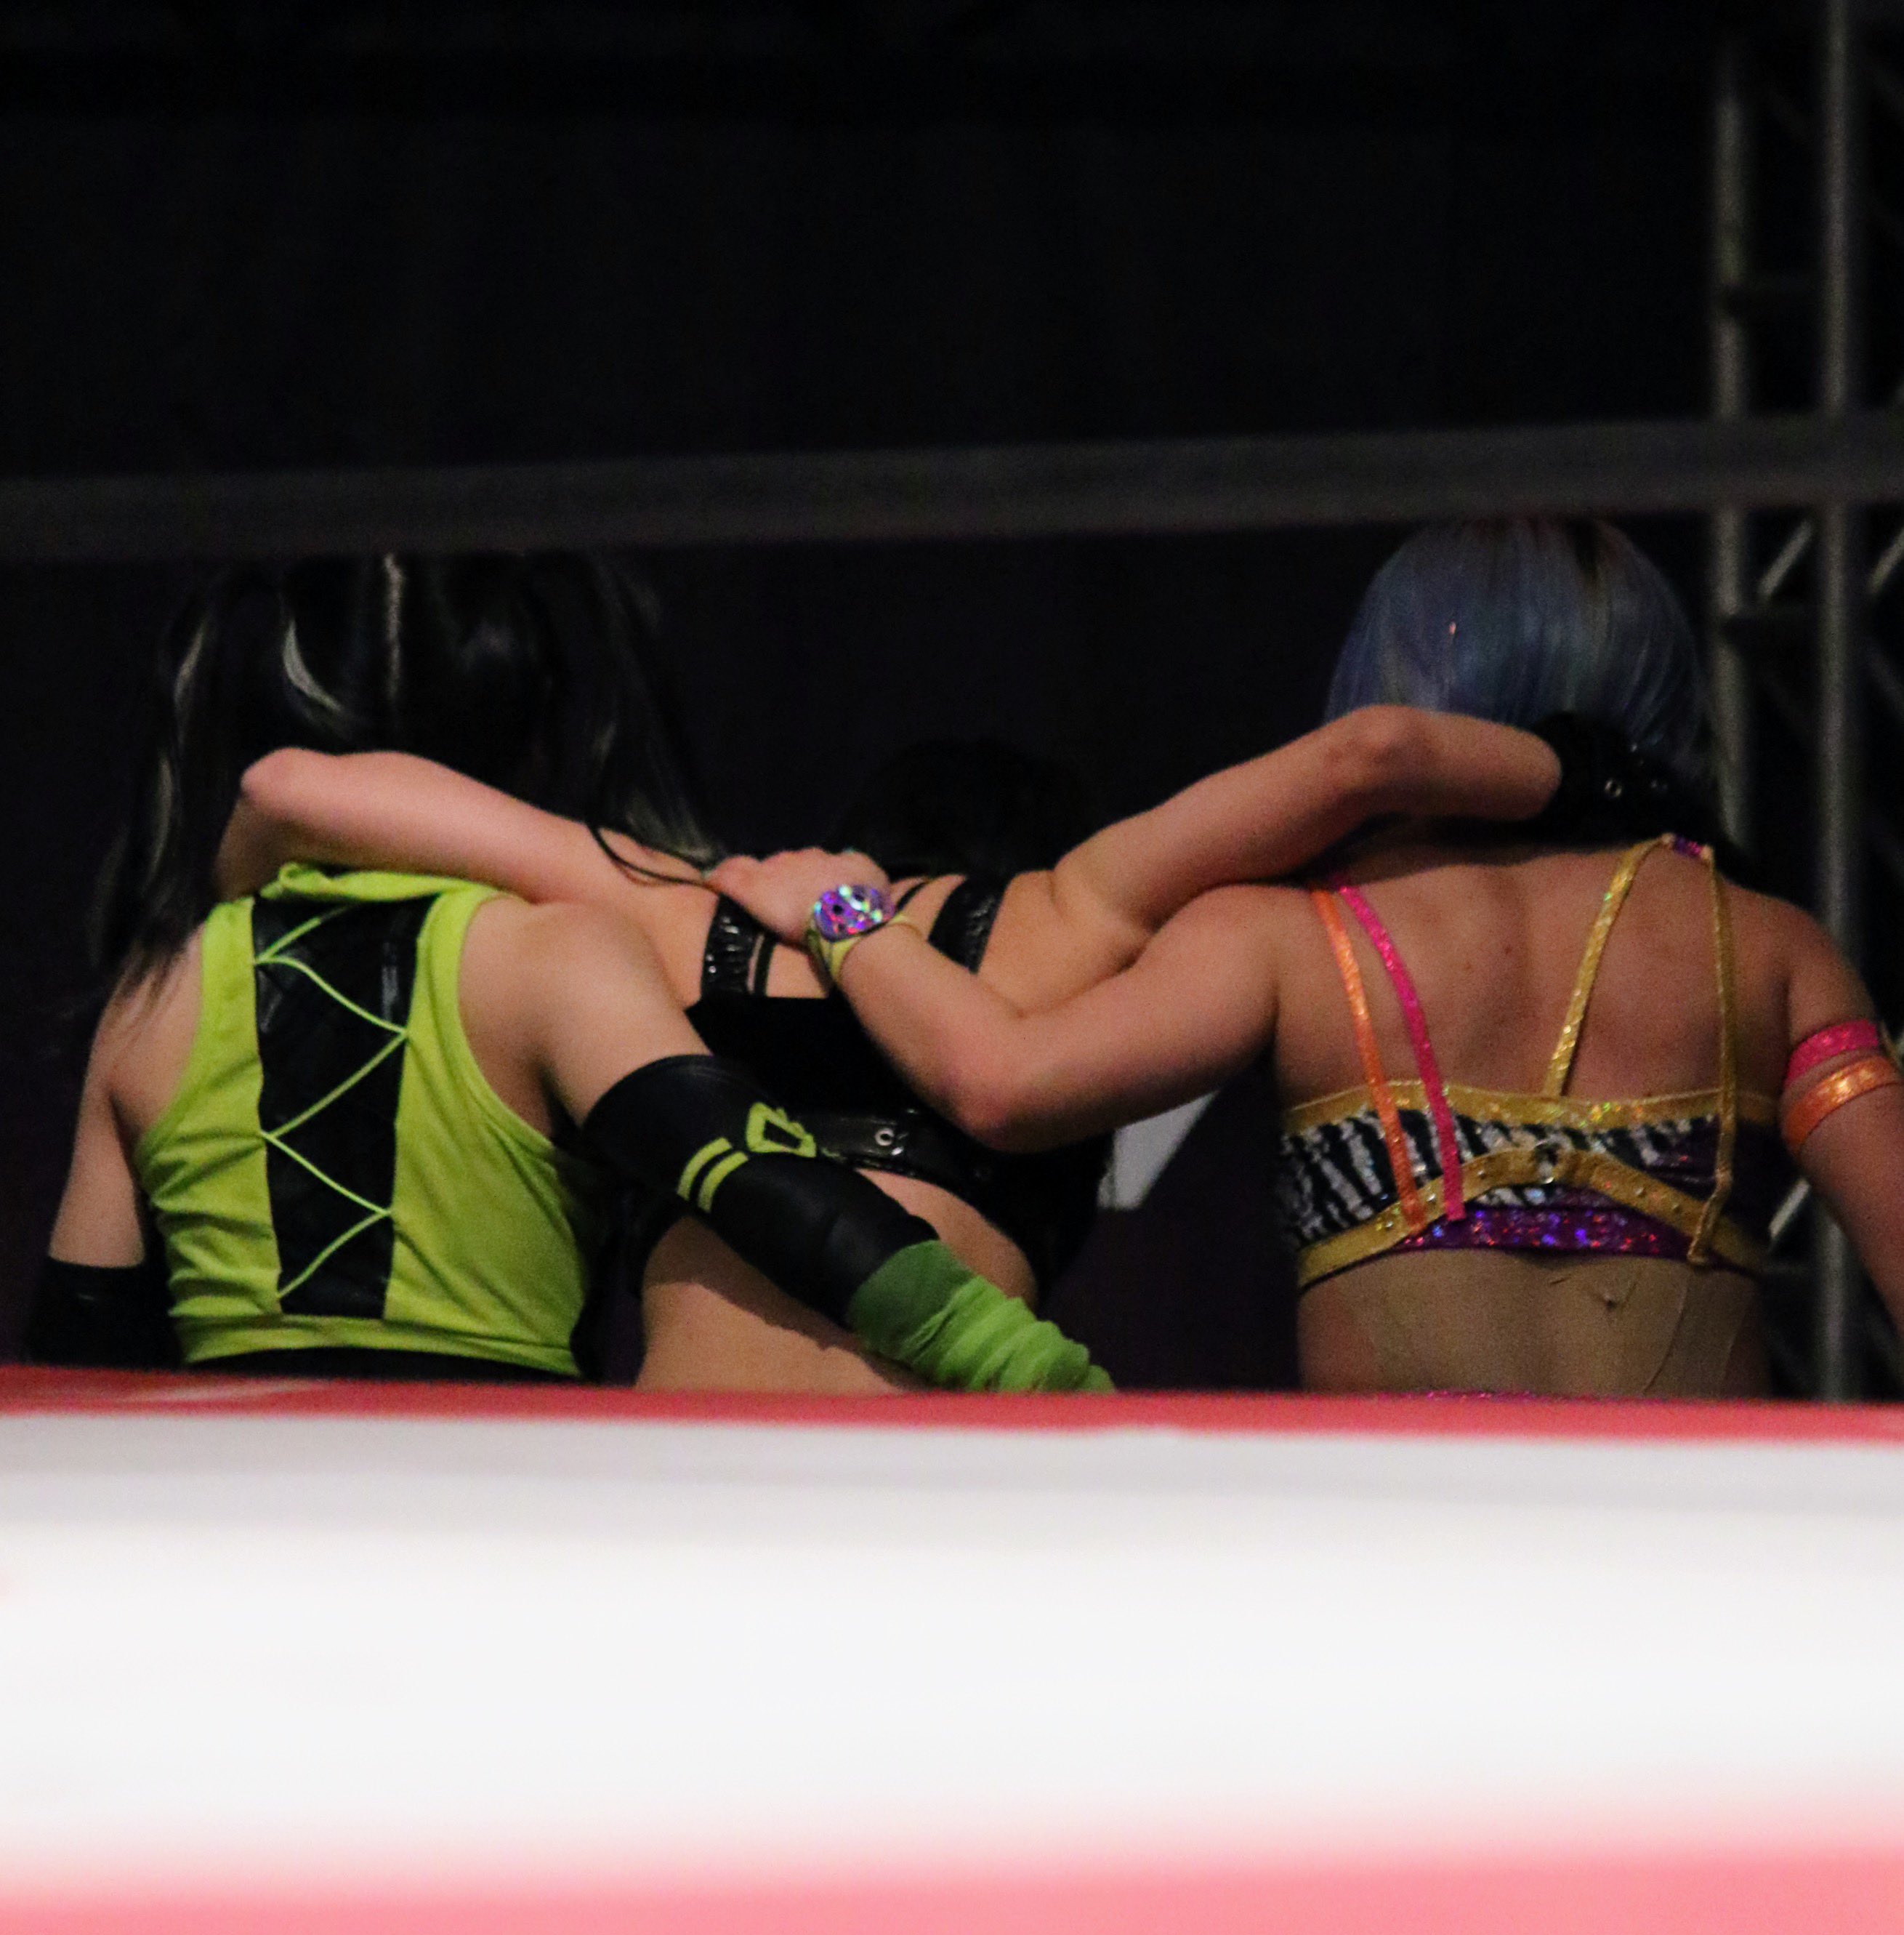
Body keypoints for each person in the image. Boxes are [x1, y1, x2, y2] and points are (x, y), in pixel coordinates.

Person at [213, 605, 1573, 1388]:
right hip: (936, 1484)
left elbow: (288, 787)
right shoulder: (1070, 913)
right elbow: (1369, 756)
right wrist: (1593, 781)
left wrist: (219, 925)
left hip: (674, 1480)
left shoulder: (685, 912)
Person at [710, 521, 1904, 1398]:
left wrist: (844, 914)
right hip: (1699, 1581)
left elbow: (1001, 1081)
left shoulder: (1286, 936)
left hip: (1386, 1580)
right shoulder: (1768, 946)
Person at [27, 558, 1110, 1396]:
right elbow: (763, 1184)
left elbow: (79, 1354)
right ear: (527, 745)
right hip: (495, 1513)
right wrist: (1033, 1370)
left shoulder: (153, 995)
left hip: (228, 1527)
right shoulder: (556, 954)